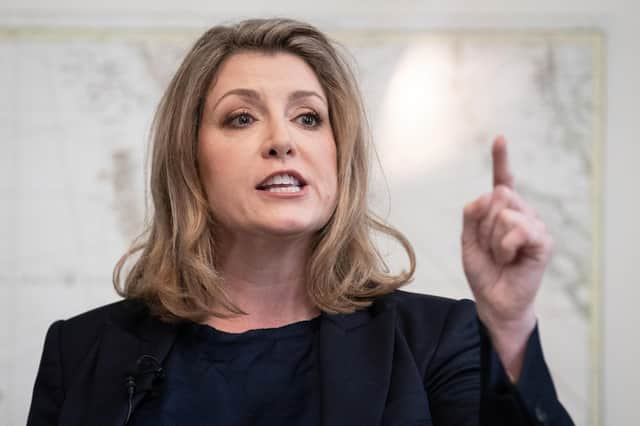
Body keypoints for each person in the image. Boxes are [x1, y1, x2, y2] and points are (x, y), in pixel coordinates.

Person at [27, 18, 574, 426]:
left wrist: (508, 326)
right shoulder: (81, 350)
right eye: (241, 117)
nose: (282, 140)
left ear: (339, 155)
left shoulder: (434, 340)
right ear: (189, 159)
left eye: (308, 117)